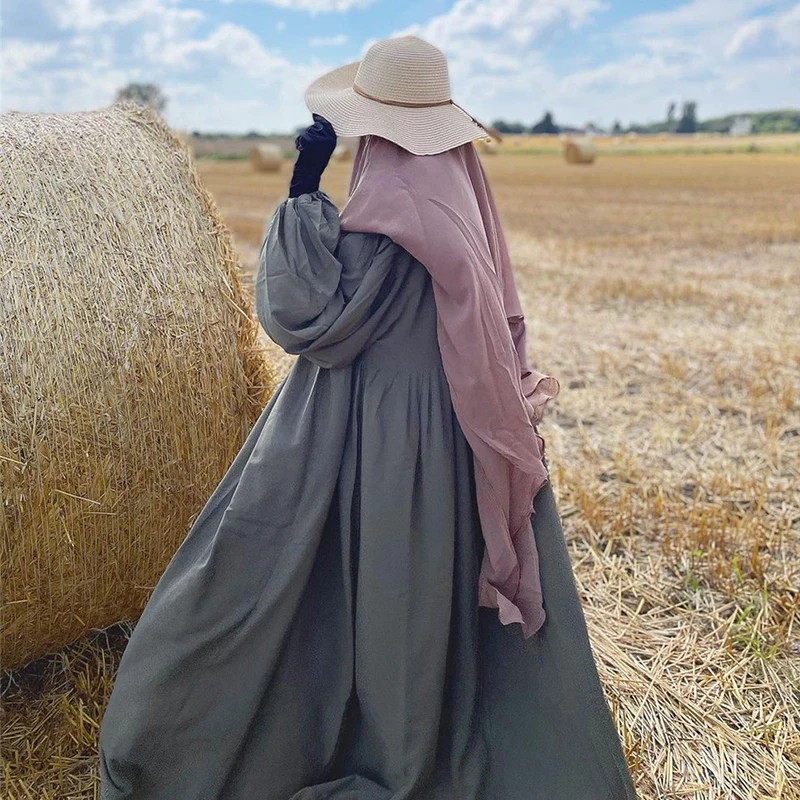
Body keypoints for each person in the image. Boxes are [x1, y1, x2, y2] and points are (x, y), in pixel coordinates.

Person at [98, 35, 638, 800]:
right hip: (450, 424)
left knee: (273, 578)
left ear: (375, 125)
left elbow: (302, 314)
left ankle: (317, 741)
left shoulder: (391, 206)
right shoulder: (462, 193)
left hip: (367, 423)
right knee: (417, 592)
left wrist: (301, 185)